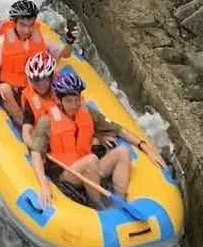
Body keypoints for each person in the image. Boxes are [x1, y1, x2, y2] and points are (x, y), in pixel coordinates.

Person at [29, 67, 163, 210]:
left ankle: (120, 201)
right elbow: (36, 153)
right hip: (67, 175)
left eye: (77, 100)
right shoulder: (47, 122)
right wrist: (44, 184)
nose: (74, 105)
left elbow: (119, 130)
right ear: (59, 100)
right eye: (69, 101)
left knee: (123, 151)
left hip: (90, 170)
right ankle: (98, 206)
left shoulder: (87, 114)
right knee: (92, 159)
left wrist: (144, 146)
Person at [0, 0, 71, 126]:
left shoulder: (39, 38)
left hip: (35, 84)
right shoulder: (2, 42)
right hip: (14, 89)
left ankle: (62, 114)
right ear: (14, 23)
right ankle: (22, 122)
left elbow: (64, 54)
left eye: (30, 25)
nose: (27, 30)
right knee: (4, 89)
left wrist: (70, 41)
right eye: (23, 25)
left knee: (55, 72)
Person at [19, 51, 56, 146]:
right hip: (46, 137)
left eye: (43, 79)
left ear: (51, 77)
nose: (39, 84)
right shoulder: (30, 99)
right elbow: (26, 130)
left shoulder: (62, 90)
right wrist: (34, 146)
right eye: (35, 81)